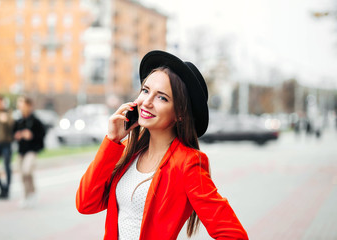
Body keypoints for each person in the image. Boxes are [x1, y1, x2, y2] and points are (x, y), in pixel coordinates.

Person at [76, 50, 248, 239]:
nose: (147, 102)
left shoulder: (188, 163)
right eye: (145, 90)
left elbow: (234, 235)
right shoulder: (128, 153)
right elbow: (86, 204)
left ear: (180, 113)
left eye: (162, 97)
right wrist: (112, 140)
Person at [13, 96, 45, 208]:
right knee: (22, 175)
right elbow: (14, 133)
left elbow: (42, 134)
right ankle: (27, 196)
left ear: (28, 105)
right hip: (21, 151)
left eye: (21, 103)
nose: (20, 106)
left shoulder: (35, 121)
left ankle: (32, 192)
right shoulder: (19, 120)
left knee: (27, 171)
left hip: (32, 150)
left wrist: (32, 135)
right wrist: (17, 135)